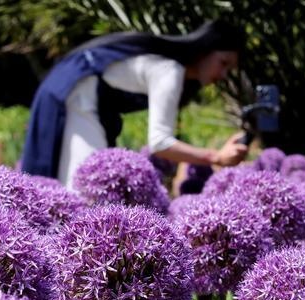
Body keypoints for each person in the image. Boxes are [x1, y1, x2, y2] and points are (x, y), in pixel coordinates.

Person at [21, 20, 249, 188]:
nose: (223, 75)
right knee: (88, 184)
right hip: (74, 94)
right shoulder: (169, 70)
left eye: (229, 69)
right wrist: (216, 157)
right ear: (205, 50)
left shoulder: (170, 69)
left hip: (70, 90)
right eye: (223, 63)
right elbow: (160, 142)